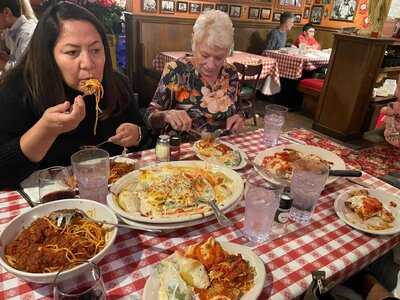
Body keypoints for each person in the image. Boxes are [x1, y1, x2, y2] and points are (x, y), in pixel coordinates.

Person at [0, 1, 148, 188]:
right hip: (45, 203)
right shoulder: (18, 90)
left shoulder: (117, 84)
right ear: (49, 56)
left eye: (95, 50)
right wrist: (46, 131)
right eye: (72, 52)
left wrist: (138, 135)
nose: (87, 63)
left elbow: (143, 135)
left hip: (113, 194)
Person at [144, 9, 245, 139]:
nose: (211, 64)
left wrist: (239, 117)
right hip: (183, 151)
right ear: (194, 45)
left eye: (219, 58)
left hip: (222, 149)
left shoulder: (230, 72)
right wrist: (166, 115)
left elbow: (239, 109)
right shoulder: (176, 70)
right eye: (205, 55)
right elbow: (149, 117)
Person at [0, 0, 37, 71]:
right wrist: (6, 58)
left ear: (6, 12)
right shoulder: (10, 30)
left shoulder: (27, 33)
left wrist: (3, 63)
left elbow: (23, 69)